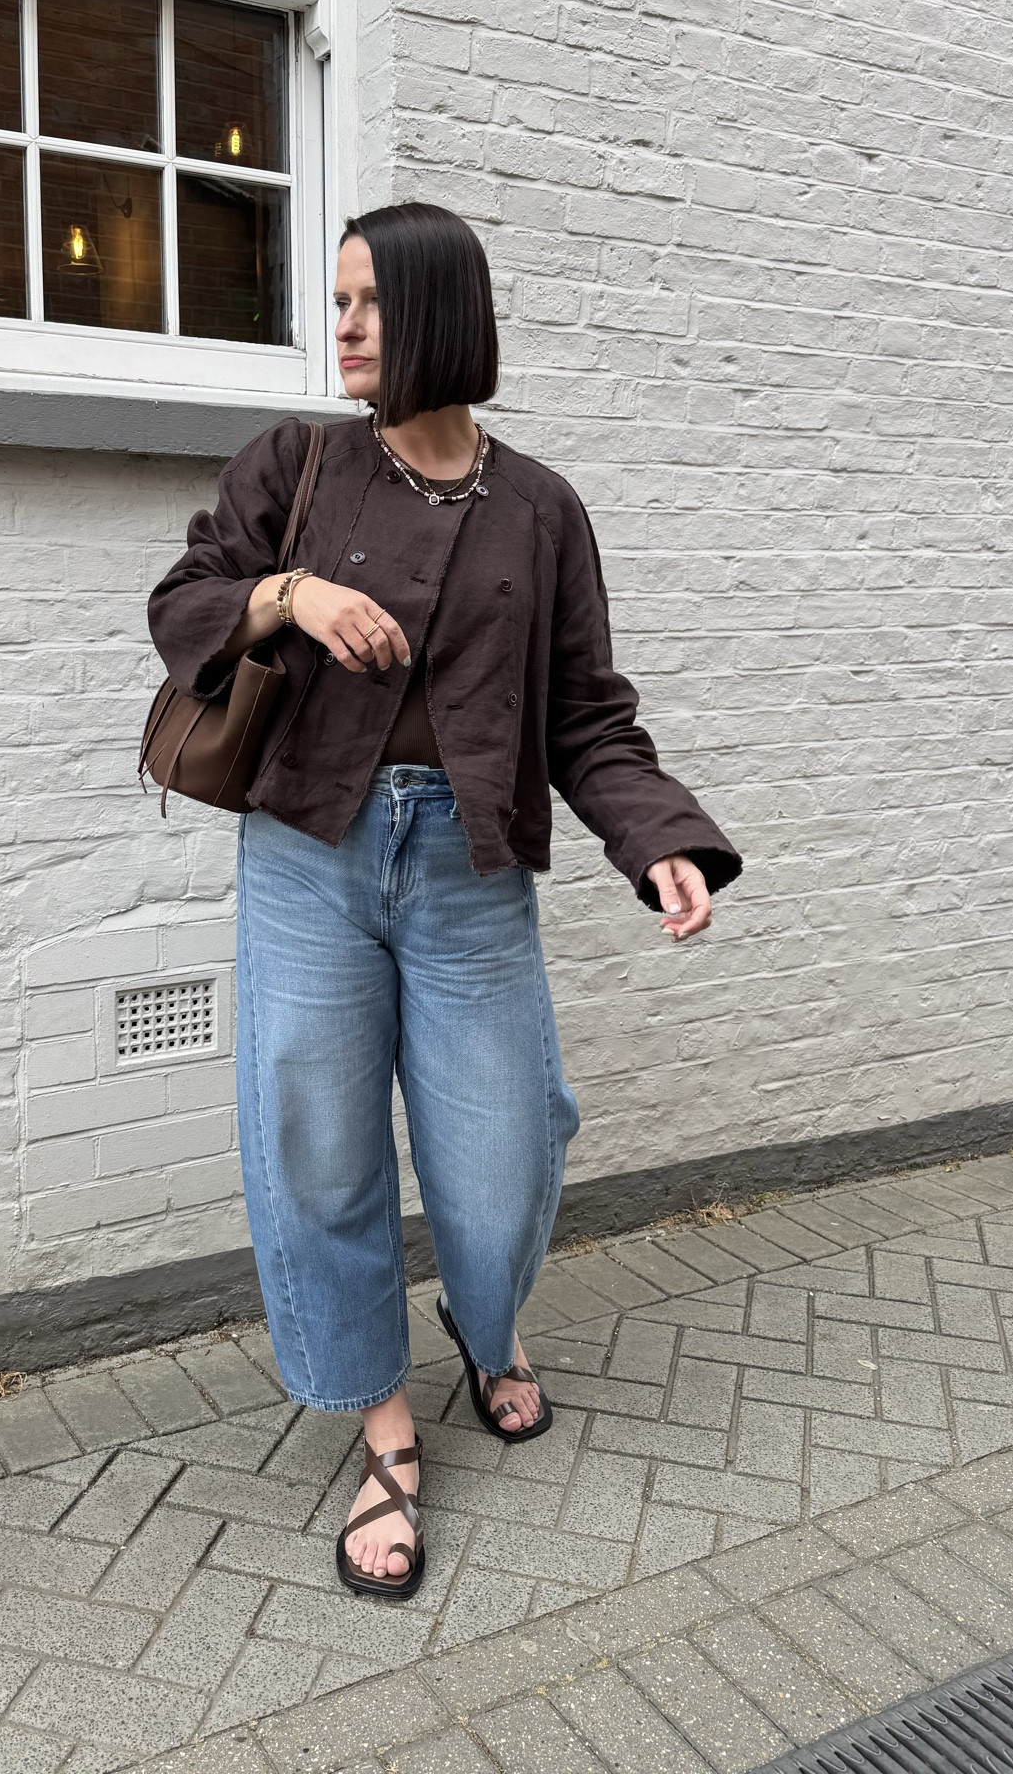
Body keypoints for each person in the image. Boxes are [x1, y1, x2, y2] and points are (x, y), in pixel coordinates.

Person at [148, 202, 741, 1599]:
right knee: (323, 1147)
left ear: (436, 318)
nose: (340, 327)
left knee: (506, 1144)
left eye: (364, 302)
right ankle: (383, 1426)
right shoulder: (295, 464)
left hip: (472, 870)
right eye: (334, 301)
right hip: (311, 852)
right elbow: (185, 603)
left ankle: (488, 1323)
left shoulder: (540, 510)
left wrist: (658, 837)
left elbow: (588, 714)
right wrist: (287, 594)